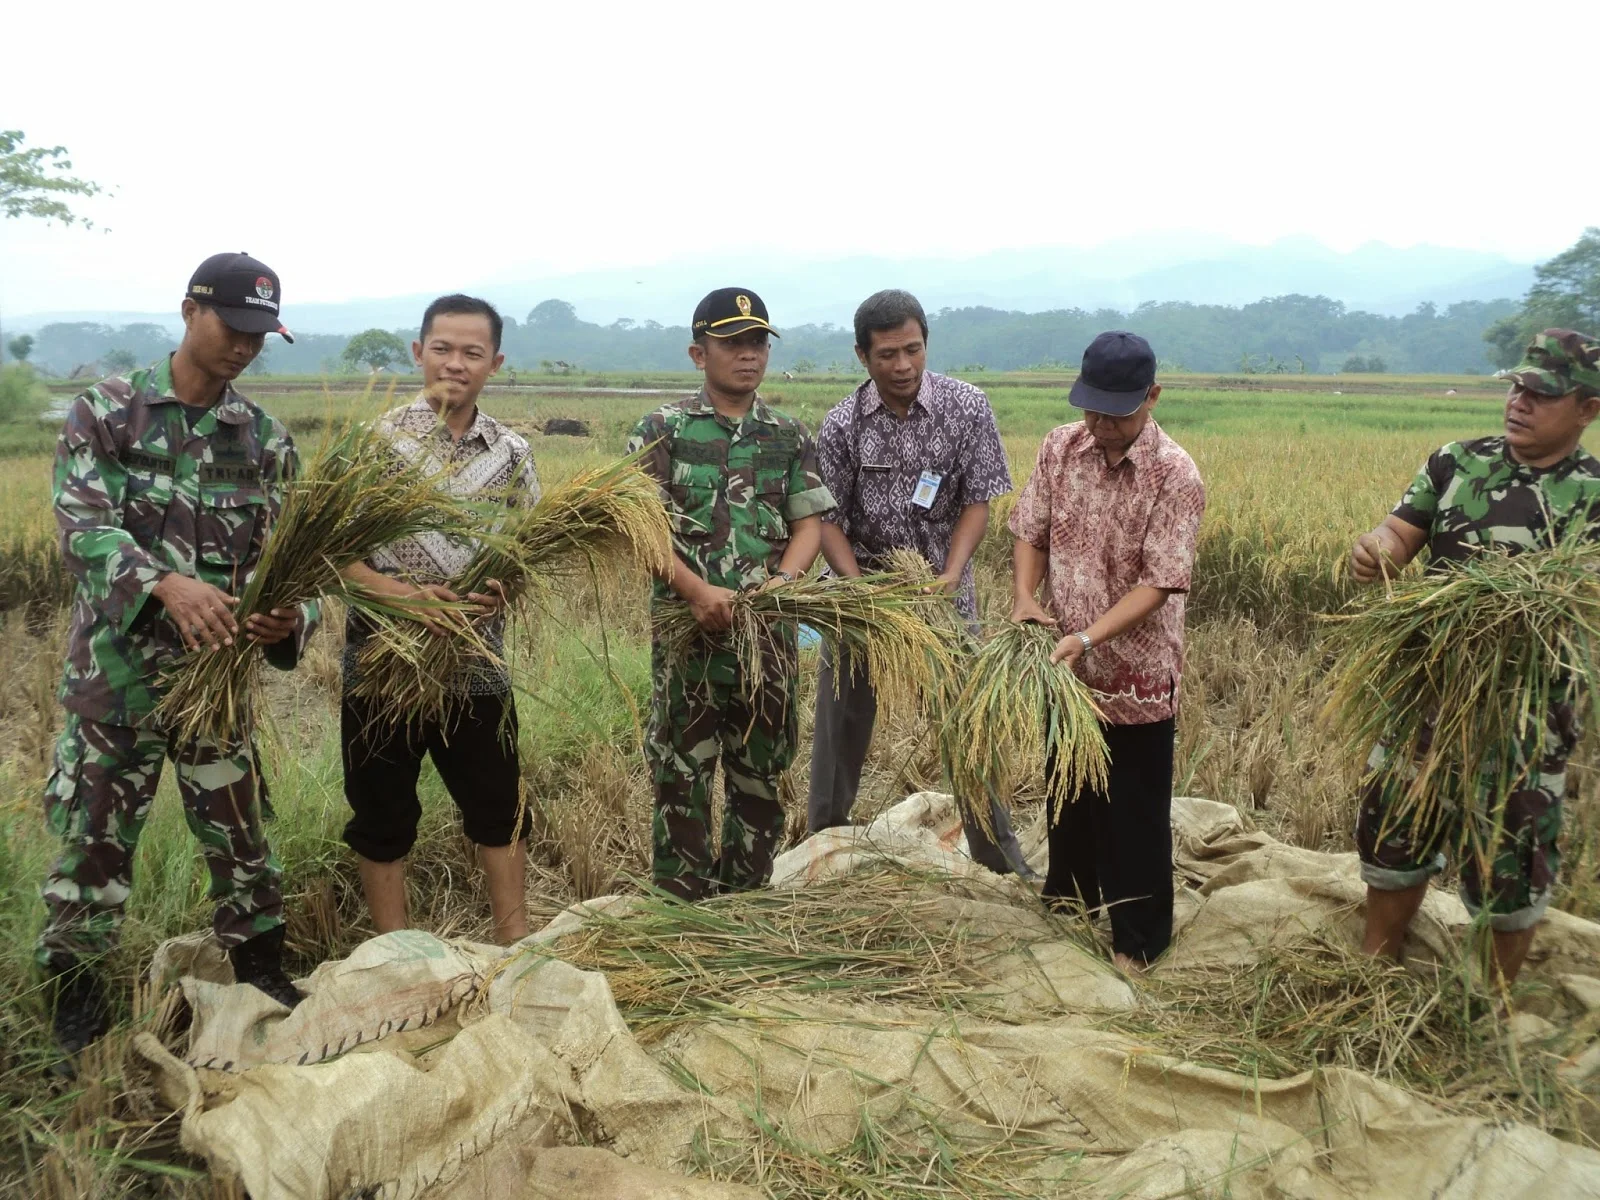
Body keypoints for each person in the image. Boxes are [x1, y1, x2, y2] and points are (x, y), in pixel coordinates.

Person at [39, 252, 311, 1063]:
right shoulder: (108, 413)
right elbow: (83, 527)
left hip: (214, 683)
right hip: (115, 682)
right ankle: (75, 1000)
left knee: (239, 838)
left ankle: (262, 968)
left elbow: (299, 561)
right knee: (93, 842)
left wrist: (290, 615)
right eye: (233, 328)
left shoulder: (262, 439)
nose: (244, 349)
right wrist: (163, 583)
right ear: (190, 311)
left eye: (260, 337)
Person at [1349, 329, 1600, 988]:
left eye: (1541, 393)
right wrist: (1373, 551)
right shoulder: (1457, 461)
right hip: (1427, 693)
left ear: (1587, 408)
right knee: (1395, 827)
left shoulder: (1594, 494)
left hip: (1525, 714)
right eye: (1517, 386)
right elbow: (1398, 535)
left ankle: (1482, 1005)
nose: (1519, 401)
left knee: (1510, 856)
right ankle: (1375, 975)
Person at [810, 289, 1030, 876]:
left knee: (968, 720)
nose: (903, 366)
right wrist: (859, 589)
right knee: (842, 721)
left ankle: (999, 857)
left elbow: (978, 501)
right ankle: (822, 849)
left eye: (912, 350)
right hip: (864, 600)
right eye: (887, 355)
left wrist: (951, 575)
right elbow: (827, 520)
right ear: (863, 356)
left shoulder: (967, 407)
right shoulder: (840, 426)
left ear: (926, 343)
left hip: (943, 598)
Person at [339, 295, 538, 945]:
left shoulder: (511, 453)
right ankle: (396, 954)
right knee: (382, 813)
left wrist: (506, 587)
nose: (456, 363)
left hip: (477, 664)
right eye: (443, 349)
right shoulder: (374, 444)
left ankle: (515, 945)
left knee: (499, 810)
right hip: (383, 663)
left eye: (473, 353)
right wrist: (402, 596)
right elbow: (331, 557)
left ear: (496, 363)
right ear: (417, 352)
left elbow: (529, 552)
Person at [626, 288, 835, 900]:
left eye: (757, 343)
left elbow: (808, 524)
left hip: (766, 638)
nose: (748, 355)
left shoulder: (788, 435)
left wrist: (783, 583)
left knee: (762, 773)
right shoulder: (660, 432)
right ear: (699, 353)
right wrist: (694, 590)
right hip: (688, 638)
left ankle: (744, 903)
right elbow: (639, 531)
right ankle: (684, 910)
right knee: (681, 774)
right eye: (731, 343)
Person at [1009, 331, 1205, 972]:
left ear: (1152, 396)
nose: (1101, 425)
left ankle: (1138, 940)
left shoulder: (1174, 475)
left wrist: (1090, 635)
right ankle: (1069, 898)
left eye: (1116, 413)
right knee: (1068, 790)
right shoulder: (1060, 447)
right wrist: (1023, 596)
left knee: (1133, 809)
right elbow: (1030, 531)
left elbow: (1158, 582)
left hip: (1137, 675)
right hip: (1066, 669)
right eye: (1091, 409)